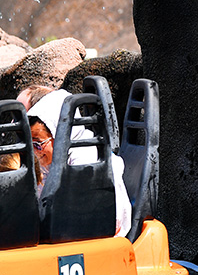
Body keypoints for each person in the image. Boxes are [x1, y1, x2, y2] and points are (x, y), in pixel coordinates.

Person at [26, 88, 132, 236]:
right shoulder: (52, 161)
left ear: (59, 133)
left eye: (38, 144)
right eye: (31, 145)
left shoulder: (85, 157)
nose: (35, 152)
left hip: (100, 230)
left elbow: (83, 209)